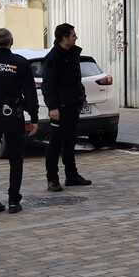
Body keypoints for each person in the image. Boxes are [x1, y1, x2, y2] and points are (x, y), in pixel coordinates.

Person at [0, 28, 39, 215]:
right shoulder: (20, 63)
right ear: (11, 41)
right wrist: (33, 118)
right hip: (12, 117)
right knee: (16, 160)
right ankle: (14, 200)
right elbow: (30, 93)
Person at [43, 23, 91, 192]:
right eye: (73, 35)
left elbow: (75, 80)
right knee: (55, 144)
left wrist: (81, 97)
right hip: (59, 108)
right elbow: (48, 85)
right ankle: (52, 179)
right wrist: (53, 107)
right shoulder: (53, 57)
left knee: (70, 142)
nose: (75, 37)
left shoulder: (73, 54)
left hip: (72, 105)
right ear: (64, 37)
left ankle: (71, 175)